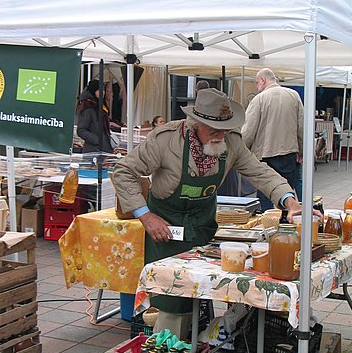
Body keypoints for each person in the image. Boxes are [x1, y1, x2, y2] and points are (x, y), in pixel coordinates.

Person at [111, 88, 303, 335]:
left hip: (201, 226)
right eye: (213, 130)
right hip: (166, 229)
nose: (220, 135)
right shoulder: (165, 140)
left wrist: (289, 201)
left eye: (224, 128)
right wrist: (145, 216)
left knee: (204, 291)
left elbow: (261, 173)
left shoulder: (230, 143)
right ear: (195, 124)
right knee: (173, 299)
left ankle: (199, 345)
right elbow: (123, 172)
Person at [241, 68, 304, 211]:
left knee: (265, 197)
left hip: (265, 155)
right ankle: (286, 223)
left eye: (257, 83)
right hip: (288, 153)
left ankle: (267, 224)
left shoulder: (259, 99)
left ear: (263, 80)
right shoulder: (294, 96)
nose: (257, 87)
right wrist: (302, 150)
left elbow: (248, 131)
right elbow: (302, 127)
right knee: (286, 194)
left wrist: (241, 151)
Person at [76, 79, 113, 153]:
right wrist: (97, 140)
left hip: (104, 148)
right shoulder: (88, 108)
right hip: (93, 150)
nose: (102, 92)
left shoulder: (102, 107)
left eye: (103, 90)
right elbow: (81, 130)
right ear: (93, 91)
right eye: (99, 90)